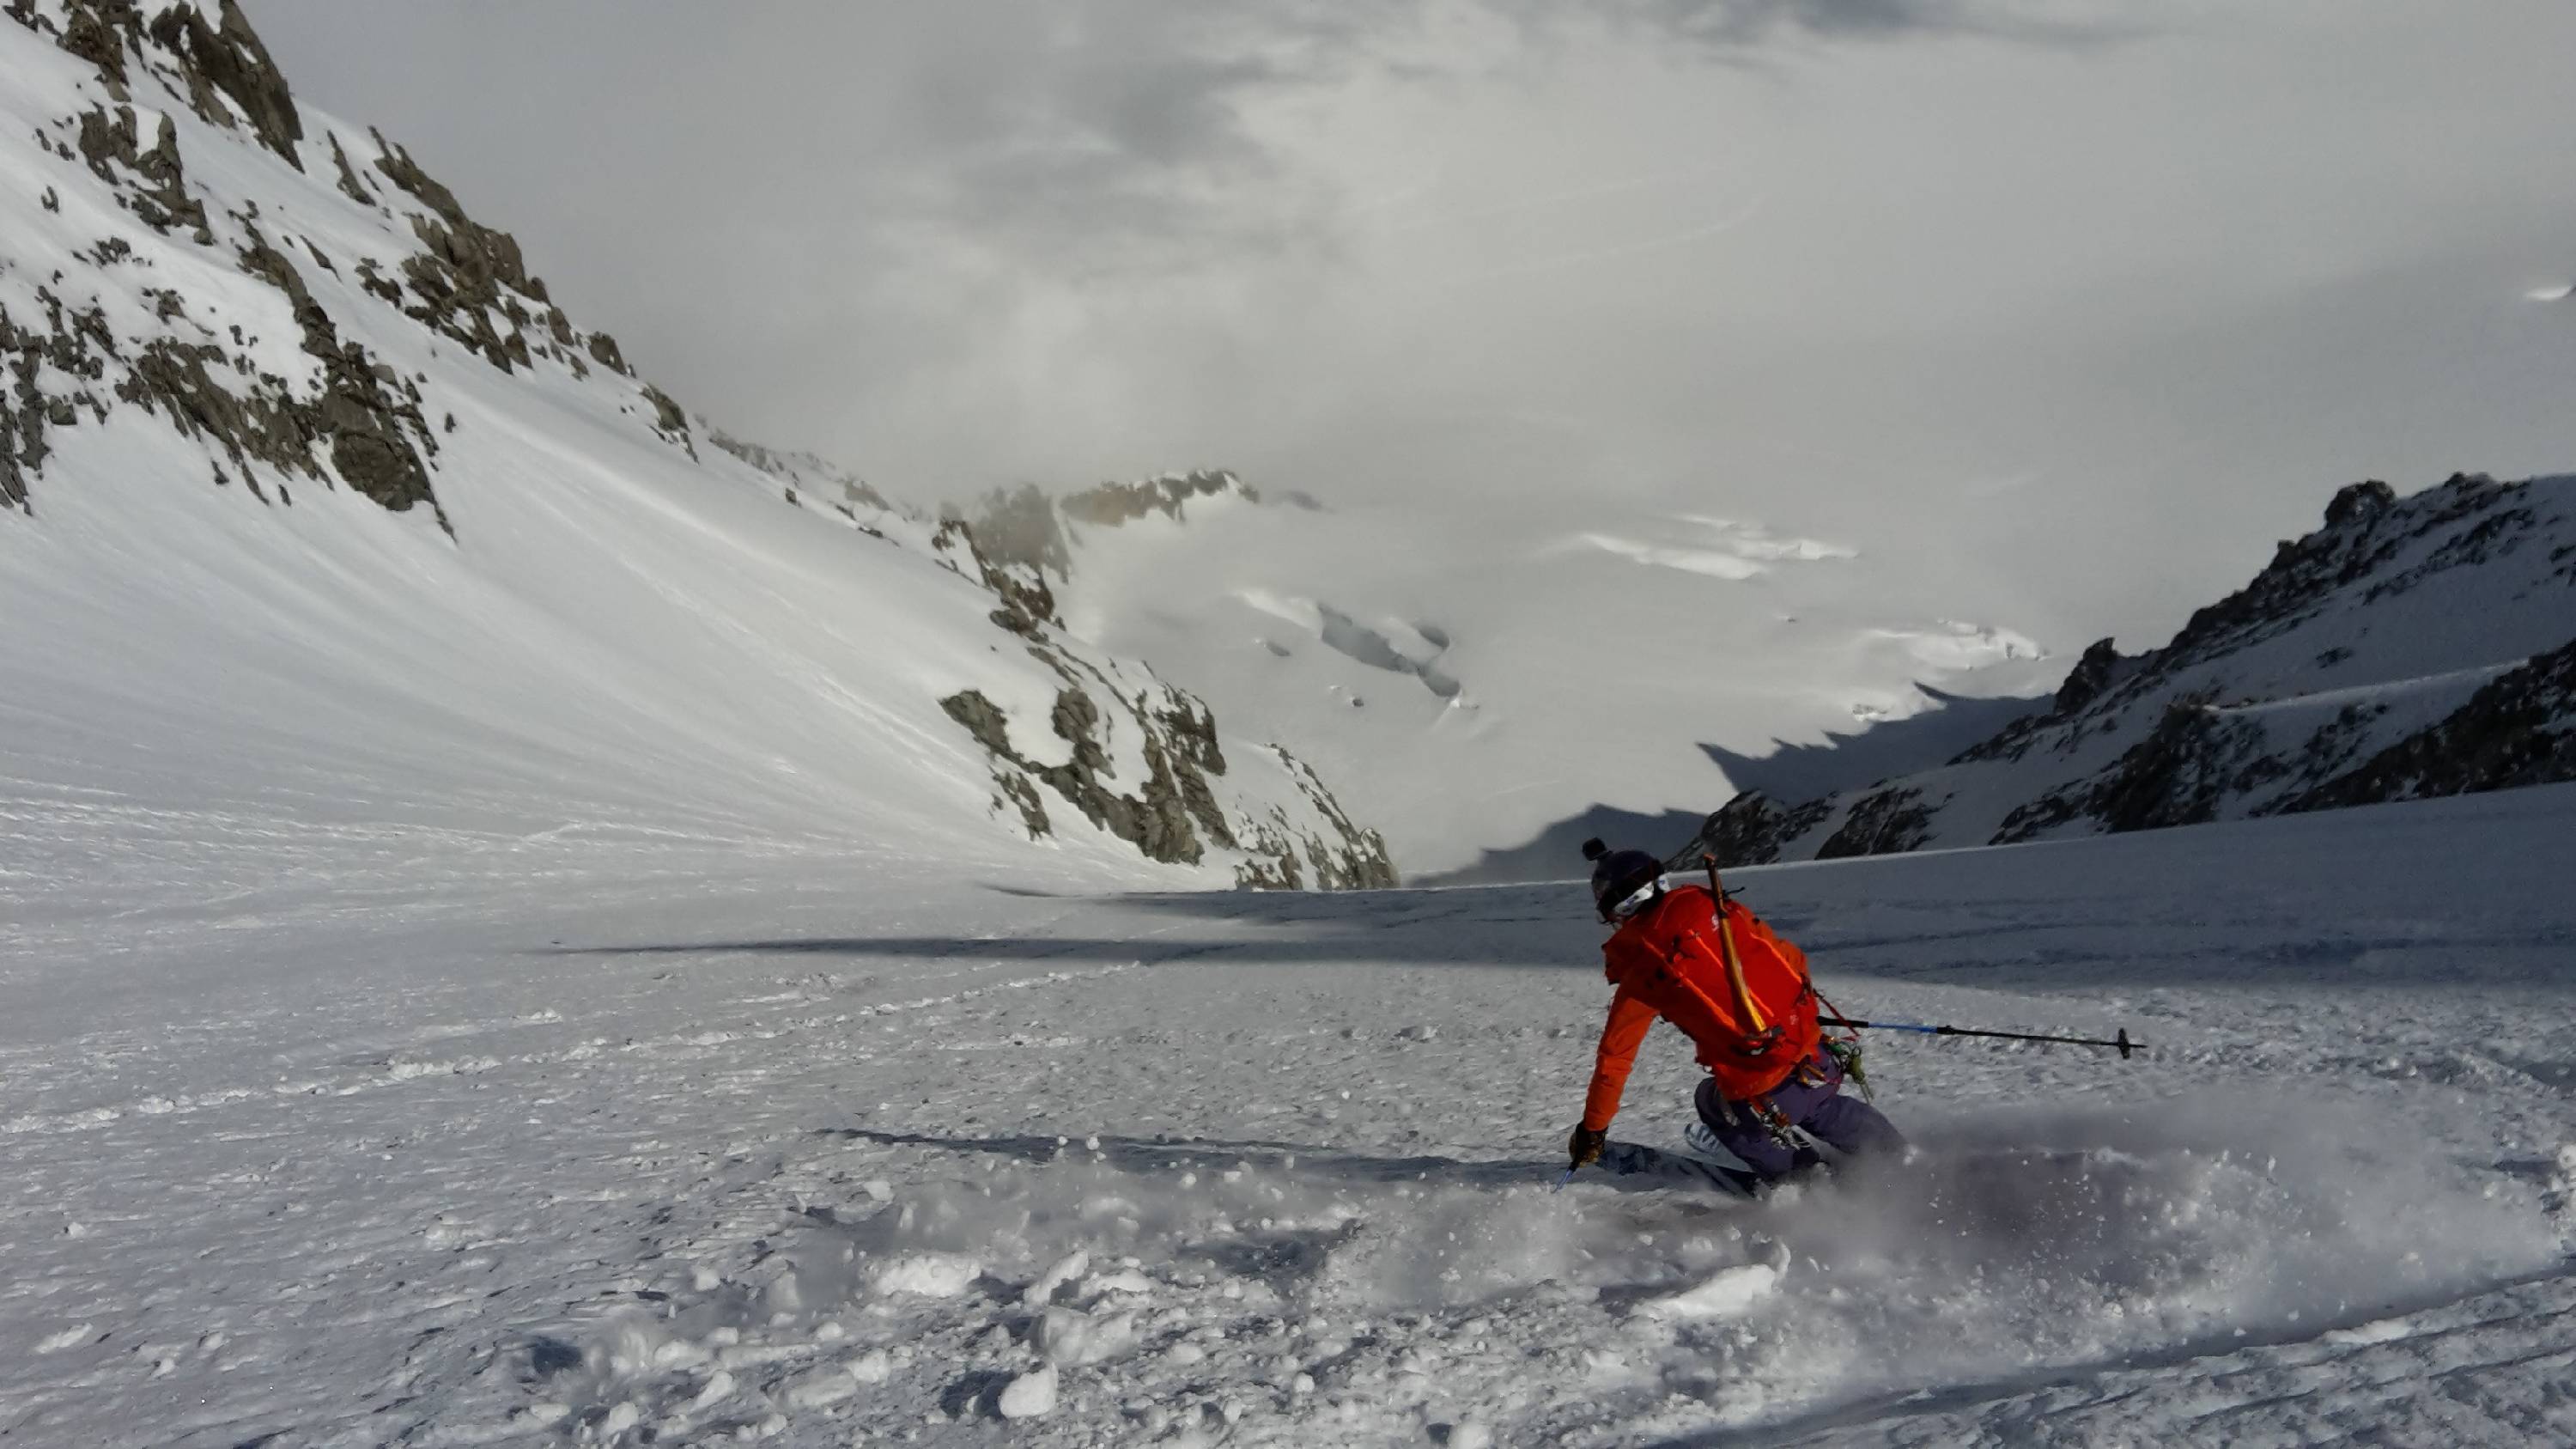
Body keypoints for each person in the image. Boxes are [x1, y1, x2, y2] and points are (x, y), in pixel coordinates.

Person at [1566, 838, 1903, 1184]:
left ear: (1620, 912)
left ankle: (1802, 1180)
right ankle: (1895, 1153)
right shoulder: (1723, 913)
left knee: (1711, 1101)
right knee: (1821, 1107)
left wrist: (1593, 1130)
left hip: (1763, 1096)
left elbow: (1615, 1058)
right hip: (1816, 1059)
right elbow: (1789, 961)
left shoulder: (1643, 971)